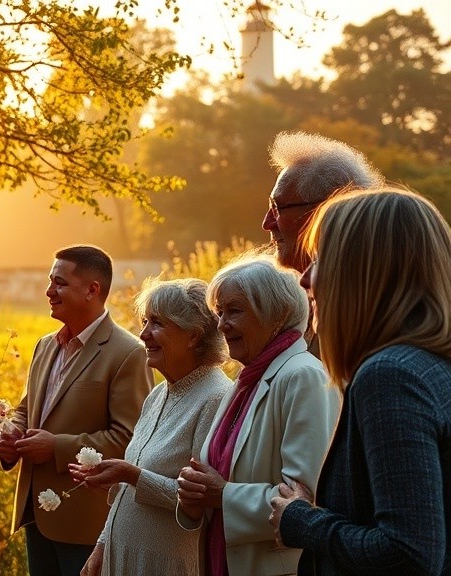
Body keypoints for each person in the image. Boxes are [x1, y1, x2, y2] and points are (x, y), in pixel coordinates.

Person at [269, 188, 451, 575]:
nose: (304, 279)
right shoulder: (431, 367)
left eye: (318, 260)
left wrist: (301, 520)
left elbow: (409, 554)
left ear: (360, 273)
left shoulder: (391, 378)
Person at [0, 244, 154, 576]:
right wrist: (11, 433)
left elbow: (130, 440)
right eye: (50, 281)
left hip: (86, 523)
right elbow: (27, 410)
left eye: (59, 283)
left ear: (92, 290)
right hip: (35, 514)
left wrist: (55, 447)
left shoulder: (128, 353)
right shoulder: (44, 345)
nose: (49, 291)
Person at [176, 255, 340, 576]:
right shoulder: (246, 378)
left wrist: (222, 495)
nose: (221, 325)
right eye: (219, 312)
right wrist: (194, 499)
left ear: (276, 314)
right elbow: (218, 479)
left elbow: (307, 500)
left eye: (234, 311)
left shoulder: (302, 376)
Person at [70, 278, 231, 576]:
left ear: (193, 335)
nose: (143, 334)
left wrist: (131, 475)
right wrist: (102, 546)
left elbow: (202, 502)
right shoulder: (158, 393)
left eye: (157, 323)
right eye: (145, 322)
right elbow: (130, 487)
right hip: (124, 556)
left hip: (166, 564)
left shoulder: (216, 397)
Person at [262, 131, 382, 274]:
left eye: (278, 208)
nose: (267, 224)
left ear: (326, 210)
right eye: (271, 206)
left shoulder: (365, 290)